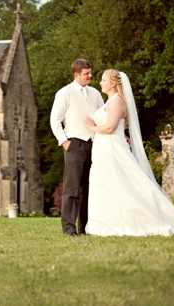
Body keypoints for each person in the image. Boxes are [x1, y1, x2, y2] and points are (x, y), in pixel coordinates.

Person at [85, 69, 174, 236]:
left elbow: (109, 127)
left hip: (113, 149)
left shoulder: (117, 101)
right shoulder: (108, 102)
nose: (100, 82)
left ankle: (157, 218)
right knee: (108, 184)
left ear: (113, 83)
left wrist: (90, 127)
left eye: (103, 79)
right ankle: (108, 222)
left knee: (128, 184)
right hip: (103, 149)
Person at [50, 59, 104, 236]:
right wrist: (64, 141)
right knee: (72, 188)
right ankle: (69, 228)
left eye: (90, 72)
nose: (90, 76)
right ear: (76, 74)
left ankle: (85, 228)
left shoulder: (95, 93)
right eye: (86, 73)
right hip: (74, 143)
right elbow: (55, 120)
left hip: (94, 144)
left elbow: (102, 116)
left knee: (88, 188)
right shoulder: (64, 93)